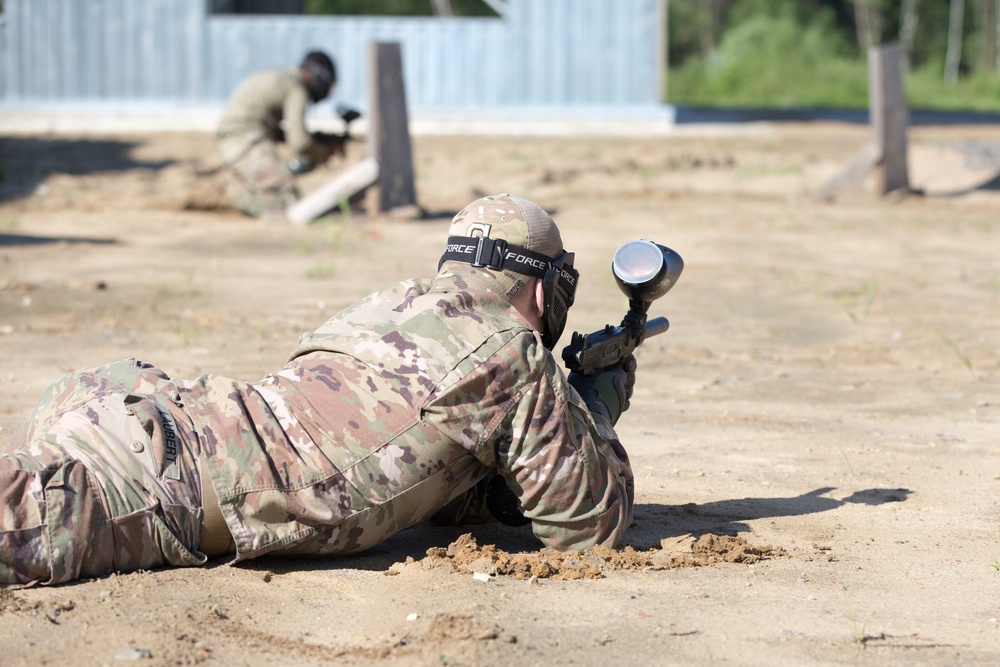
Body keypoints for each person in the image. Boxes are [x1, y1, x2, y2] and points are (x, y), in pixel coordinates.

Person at [0, 194, 636, 589]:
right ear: (544, 287)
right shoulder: (506, 349)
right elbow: (586, 529)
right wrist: (595, 412)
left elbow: (440, 485)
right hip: (165, 480)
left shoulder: (391, 305)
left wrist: (566, 407)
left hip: (120, 402)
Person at [216, 50, 344, 219]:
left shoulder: (283, 78)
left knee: (285, 190)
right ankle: (228, 196)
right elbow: (299, 142)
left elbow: (278, 131)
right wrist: (323, 151)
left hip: (239, 137)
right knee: (287, 202)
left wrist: (318, 139)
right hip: (244, 139)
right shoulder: (296, 89)